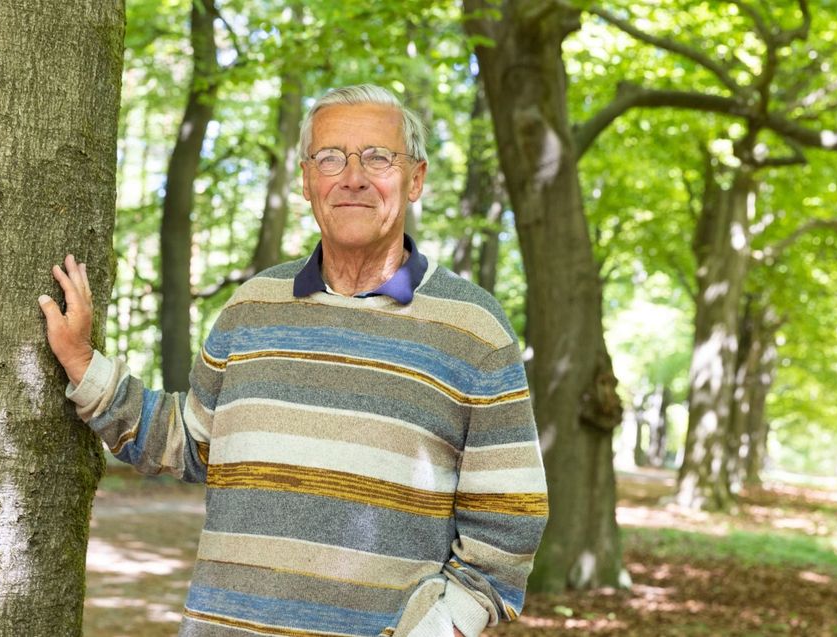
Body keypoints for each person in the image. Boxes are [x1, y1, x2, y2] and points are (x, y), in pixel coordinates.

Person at [39, 84, 547, 637]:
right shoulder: (252, 307)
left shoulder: (474, 329)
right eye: (331, 158)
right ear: (307, 180)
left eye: (378, 157)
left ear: (415, 178)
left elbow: (508, 525)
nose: (353, 176)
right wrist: (84, 363)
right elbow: (190, 441)